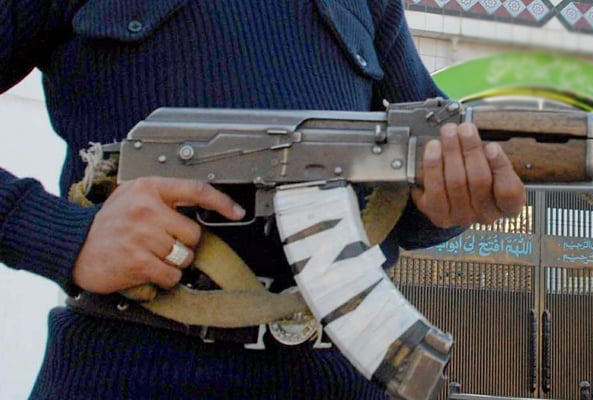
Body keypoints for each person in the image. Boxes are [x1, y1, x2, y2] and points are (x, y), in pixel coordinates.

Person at [1, 1, 526, 399]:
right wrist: (66, 237)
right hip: (128, 372)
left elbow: (421, 173)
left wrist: (448, 204)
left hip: (340, 374)